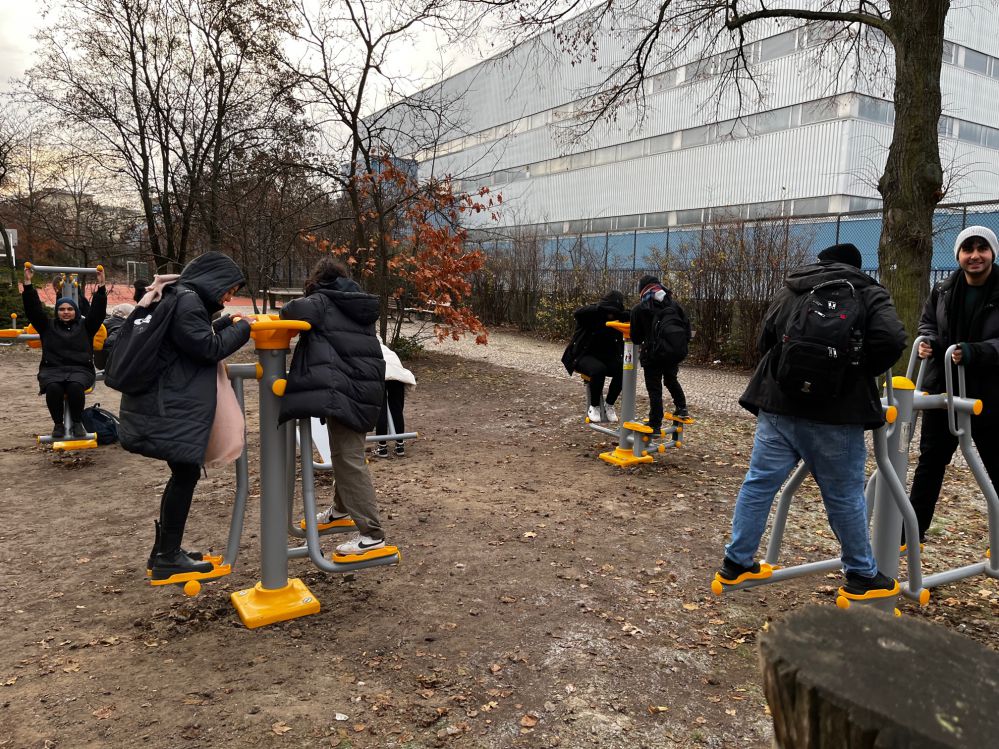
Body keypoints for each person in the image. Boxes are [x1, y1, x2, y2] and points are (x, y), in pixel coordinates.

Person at [716, 242, 907, 599]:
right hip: (837, 415)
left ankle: (736, 561)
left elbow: (764, 339)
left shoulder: (794, 287)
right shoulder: (867, 292)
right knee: (845, 494)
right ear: (856, 265)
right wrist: (855, 371)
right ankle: (861, 574)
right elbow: (893, 339)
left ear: (822, 262)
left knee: (759, 484)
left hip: (779, 406)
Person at [117, 252, 252, 580]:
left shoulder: (180, 298)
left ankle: (165, 552)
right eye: (229, 288)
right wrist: (244, 328)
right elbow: (207, 349)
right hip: (169, 407)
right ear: (214, 279)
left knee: (184, 473)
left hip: (164, 403)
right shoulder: (189, 302)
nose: (229, 296)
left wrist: (223, 322)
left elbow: (190, 339)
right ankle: (167, 556)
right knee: (185, 475)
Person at [279, 257, 388, 555]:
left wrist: (309, 296)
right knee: (344, 452)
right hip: (362, 386)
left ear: (318, 280)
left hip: (347, 387)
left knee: (348, 457)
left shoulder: (322, 302)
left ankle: (372, 534)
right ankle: (341, 510)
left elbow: (290, 311)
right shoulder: (353, 301)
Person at [907, 226, 999, 546]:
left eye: (982, 248)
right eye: (968, 249)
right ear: (958, 255)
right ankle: (911, 533)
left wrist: (977, 352)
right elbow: (928, 324)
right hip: (944, 389)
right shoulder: (944, 289)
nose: (975, 255)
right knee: (930, 462)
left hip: (988, 393)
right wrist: (928, 343)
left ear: (992, 253)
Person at [22, 265, 108, 439]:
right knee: (53, 388)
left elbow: (98, 313)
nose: (66, 312)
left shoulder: (86, 326)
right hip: (53, 369)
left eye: (69, 309)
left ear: (75, 311)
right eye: (62, 309)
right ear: (57, 311)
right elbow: (33, 310)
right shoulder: (47, 326)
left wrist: (101, 286)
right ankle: (58, 425)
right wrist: (28, 284)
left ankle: (77, 423)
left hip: (80, 369)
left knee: (75, 387)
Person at [630, 275, 691, 430]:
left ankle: (655, 423)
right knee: (671, 380)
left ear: (642, 290)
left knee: (655, 389)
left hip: (653, 356)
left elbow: (635, 338)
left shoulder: (640, 308)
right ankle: (682, 408)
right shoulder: (674, 305)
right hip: (672, 352)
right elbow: (687, 331)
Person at [561, 290, 630, 422]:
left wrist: (622, 314)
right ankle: (594, 406)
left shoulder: (618, 316)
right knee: (598, 370)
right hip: (583, 355)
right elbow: (578, 313)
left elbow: (633, 315)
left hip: (606, 356)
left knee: (624, 369)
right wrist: (601, 308)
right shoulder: (591, 314)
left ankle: (609, 404)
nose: (611, 314)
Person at [374, 336, 416, 458]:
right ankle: (400, 446)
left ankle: (382, 448)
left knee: (380, 411)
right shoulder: (390, 352)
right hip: (397, 378)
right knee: (397, 410)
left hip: (380, 376)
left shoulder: (369, 351)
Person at [94, 302, 135, 370]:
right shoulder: (122, 327)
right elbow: (110, 342)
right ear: (127, 315)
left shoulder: (103, 323)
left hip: (99, 360)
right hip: (111, 363)